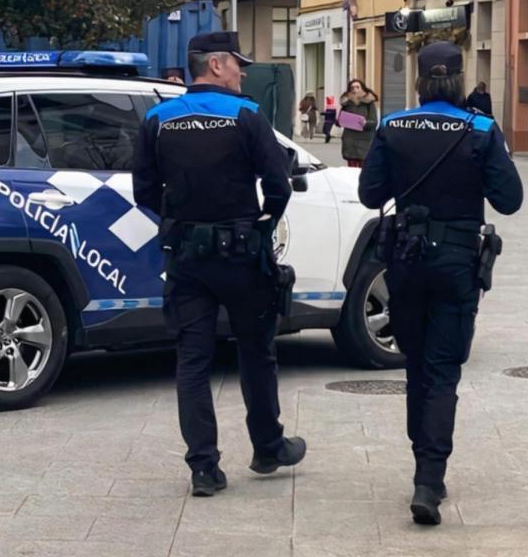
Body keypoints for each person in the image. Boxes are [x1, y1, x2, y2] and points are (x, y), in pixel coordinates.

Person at [132, 31, 306, 497]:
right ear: (215, 65)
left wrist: (180, 221)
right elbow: (279, 184)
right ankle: (268, 447)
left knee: (192, 359)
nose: (242, 72)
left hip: (186, 255)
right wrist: (260, 224)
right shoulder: (246, 114)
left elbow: (144, 191)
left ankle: (203, 468)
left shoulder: (156, 118)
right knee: (256, 351)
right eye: (237, 64)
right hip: (242, 254)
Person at [358, 41, 523, 526]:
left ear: (419, 80)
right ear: (456, 79)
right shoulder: (480, 129)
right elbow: (509, 200)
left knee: (416, 366)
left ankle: (423, 467)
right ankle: (429, 479)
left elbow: (370, 194)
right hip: (455, 259)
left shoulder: (392, 126)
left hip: (405, 260)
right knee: (443, 369)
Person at [339, 79, 379, 167]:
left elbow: (374, 122)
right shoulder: (346, 104)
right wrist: (338, 120)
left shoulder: (369, 103)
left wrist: (365, 123)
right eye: (352, 87)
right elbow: (340, 120)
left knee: (363, 170)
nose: (355, 90)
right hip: (350, 141)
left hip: (364, 141)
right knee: (351, 171)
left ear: (363, 89)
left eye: (357, 87)